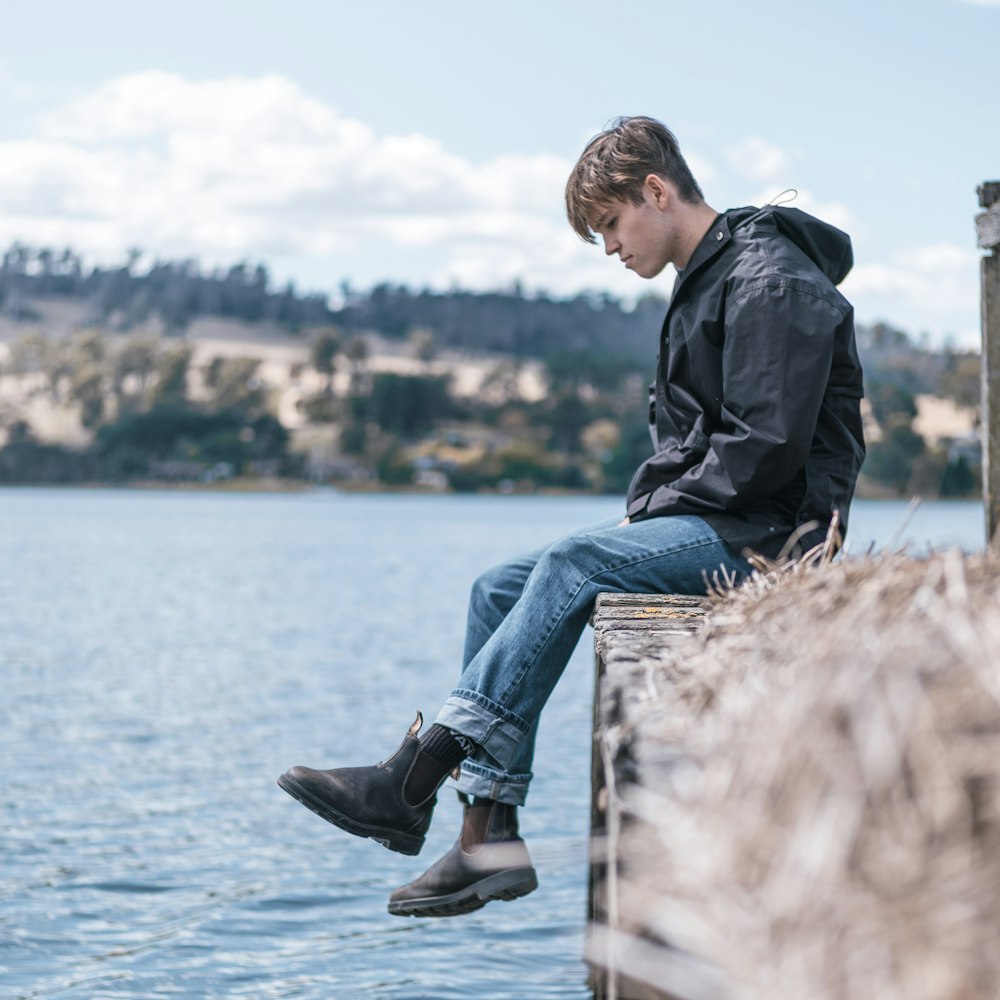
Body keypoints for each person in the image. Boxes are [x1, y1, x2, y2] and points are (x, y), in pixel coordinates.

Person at [278, 116, 866, 918]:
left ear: (656, 192)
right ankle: (487, 835)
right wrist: (648, 518)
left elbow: (764, 448)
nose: (611, 249)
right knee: (497, 588)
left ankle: (412, 777)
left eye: (612, 225)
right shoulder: (708, 277)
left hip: (773, 539)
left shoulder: (769, 281)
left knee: (574, 563)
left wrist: (647, 519)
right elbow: (695, 449)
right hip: (722, 520)